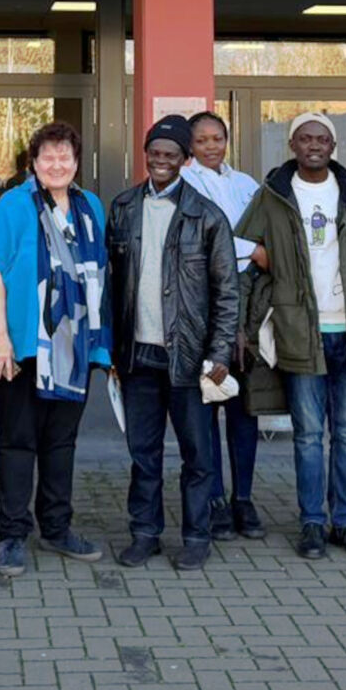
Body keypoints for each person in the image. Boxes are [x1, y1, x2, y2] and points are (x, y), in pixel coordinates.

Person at [237, 112, 346, 562]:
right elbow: (239, 248)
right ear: (292, 144)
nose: (314, 145)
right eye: (305, 138)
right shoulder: (273, 194)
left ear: (333, 146)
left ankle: (345, 524)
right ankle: (312, 523)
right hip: (299, 333)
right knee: (309, 435)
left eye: (322, 138)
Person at [0, 122, 113, 578]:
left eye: (65, 157)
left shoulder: (90, 206)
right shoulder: (15, 205)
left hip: (72, 349)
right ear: (33, 163)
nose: (57, 165)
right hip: (19, 347)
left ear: (77, 162)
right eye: (47, 157)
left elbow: (99, 275)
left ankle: (56, 527)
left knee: (61, 442)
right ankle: (13, 534)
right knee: (18, 441)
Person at [107, 115, 238, 571]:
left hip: (189, 357)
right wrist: (109, 351)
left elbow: (227, 293)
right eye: (154, 153)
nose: (161, 161)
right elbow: (110, 285)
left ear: (185, 160)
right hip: (137, 354)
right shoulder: (123, 208)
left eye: (170, 155)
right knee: (143, 453)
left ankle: (196, 535)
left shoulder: (207, 216)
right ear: (145, 155)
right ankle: (144, 532)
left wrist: (219, 354)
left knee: (197, 454)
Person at [179, 110, 265, 541]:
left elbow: (265, 230)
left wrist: (254, 251)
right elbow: (208, 239)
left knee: (243, 411)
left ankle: (243, 499)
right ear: (190, 145)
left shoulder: (245, 183)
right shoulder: (186, 183)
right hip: (205, 305)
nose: (211, 146)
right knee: (208, 404)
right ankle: (213, 498)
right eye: (202, 140)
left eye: (218, 138)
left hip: (247, 304)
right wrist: (253, 250)